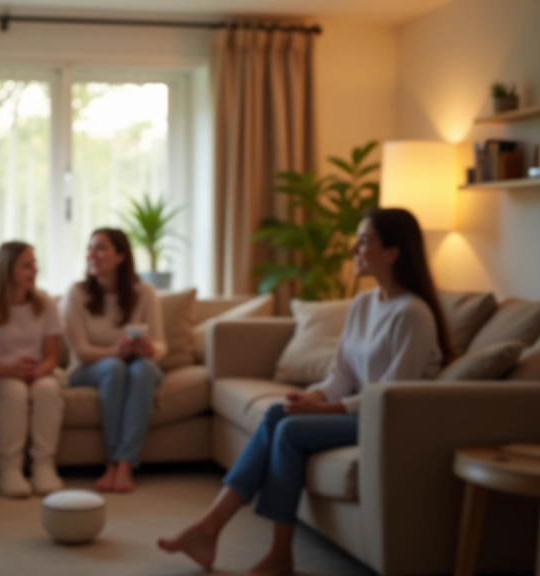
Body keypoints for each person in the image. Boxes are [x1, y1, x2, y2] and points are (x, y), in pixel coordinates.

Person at [157, 208, 453, 576]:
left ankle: (271, 553)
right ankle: (213, 529)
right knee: (278, 413)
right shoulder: (362, 305)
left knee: (291, 430)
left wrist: (322, 413)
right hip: (365, 413)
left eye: (364, 241)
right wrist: (311, 398)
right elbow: (341, 376)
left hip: (391, 422)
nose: (353, 249)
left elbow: (390, 397)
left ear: (393, 253)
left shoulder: (412, 314)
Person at [62, 228, 166, 494]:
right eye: (90, 248)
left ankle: (124, 464)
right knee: (115, 368)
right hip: (88, 370)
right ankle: (112, 462)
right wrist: (115, 351)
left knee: (142, 369)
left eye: (100, 248)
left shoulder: (145, 292)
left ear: (121, 256)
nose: (91, 255)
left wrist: (148, 348)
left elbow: (162, 346)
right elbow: (82, 352)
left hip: (135, 365)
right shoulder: (76, 293)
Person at [0, 241, 66, 498]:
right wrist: (10, 370)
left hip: (38, 373)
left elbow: (51, 358)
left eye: (34, 264)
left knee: (47, 388)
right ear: (7, 270)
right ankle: (9, 469)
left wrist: (38, 372)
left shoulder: (46, 305)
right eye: (26, 265)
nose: (34, 270)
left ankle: (44, 467)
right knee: (14, 391)